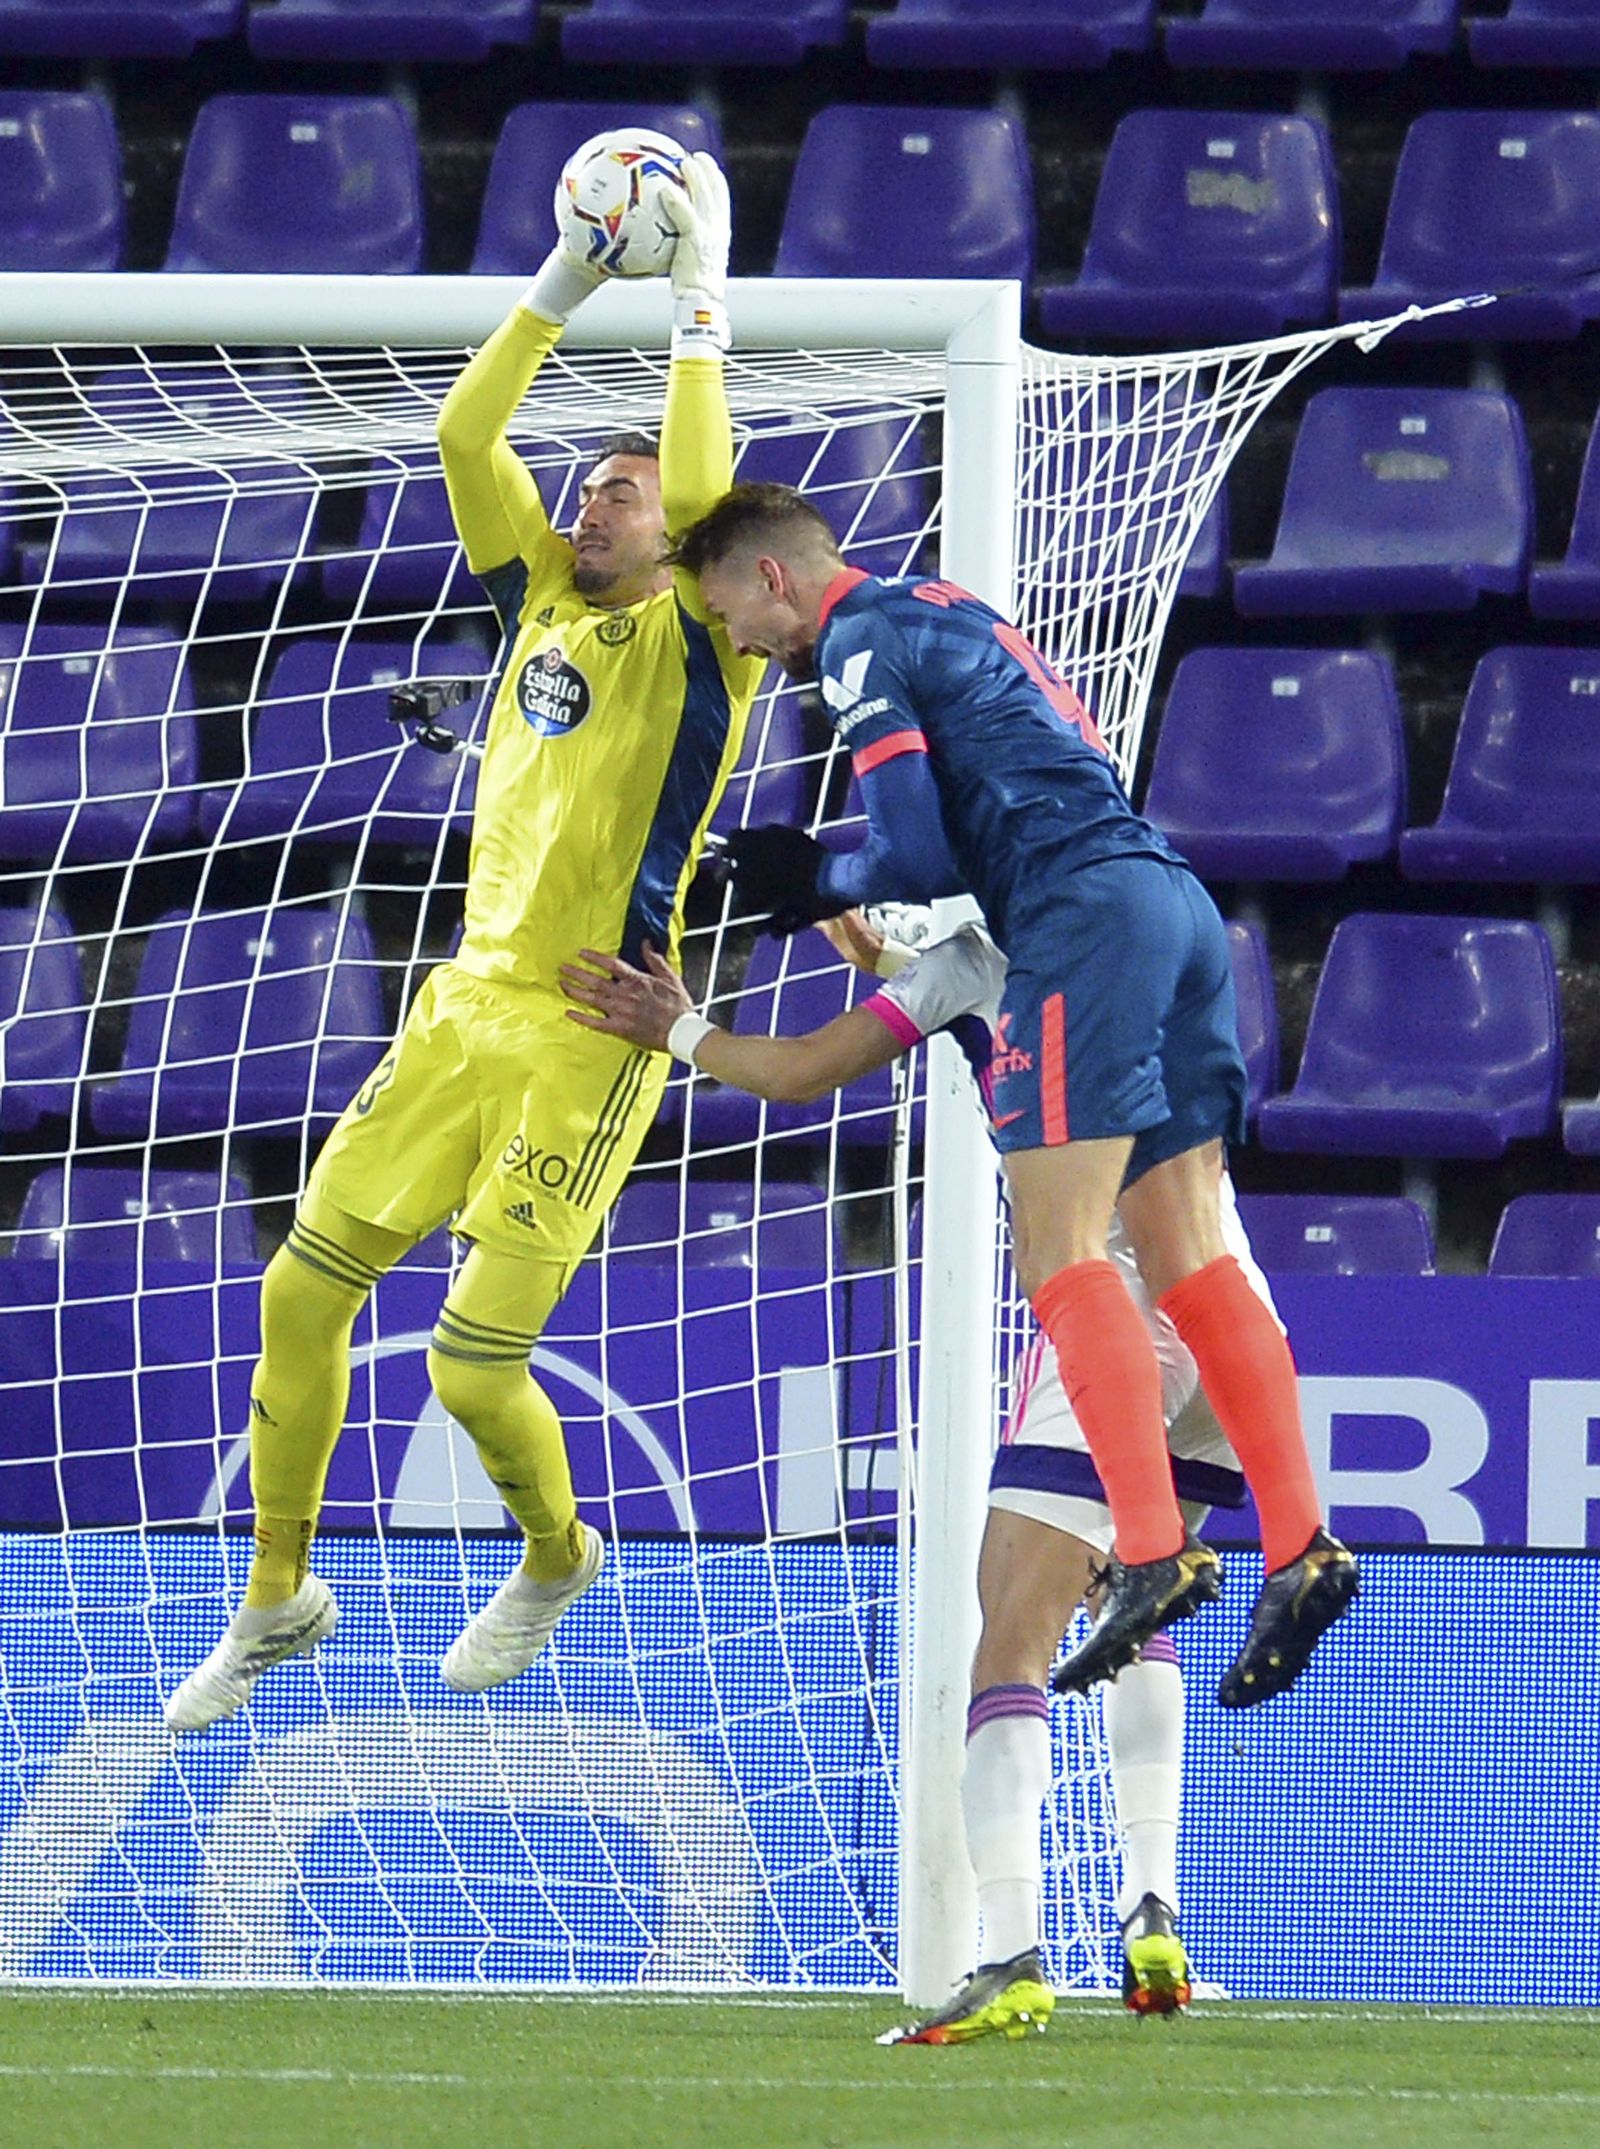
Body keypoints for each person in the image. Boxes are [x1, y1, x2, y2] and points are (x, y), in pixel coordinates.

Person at [164, 155, 767, 1734]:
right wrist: (568, 276)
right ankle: (277, 1592)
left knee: (468, 1367)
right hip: (459, 1012)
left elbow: (700, 493)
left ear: (681, 540)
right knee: (303, 1295)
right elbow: (462, 432)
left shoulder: (696, 638)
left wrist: (701, 297)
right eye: (586, 488)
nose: (590, 501)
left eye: (619, 492)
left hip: (592, 1034)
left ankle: (558, 1554)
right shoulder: (535, 611)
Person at [666, 485, 1358, 1708]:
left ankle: (1149, 1554)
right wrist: (831, 884)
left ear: (773, 579)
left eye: (729, 614)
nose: (742, 643)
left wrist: (808, 870)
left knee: (1057, 1248)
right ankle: (1298, 1543)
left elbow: (921, 853)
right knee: (1190, 1254)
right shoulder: (952, 608)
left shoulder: (855, 642)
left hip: (1076, 922)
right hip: (1172, 906)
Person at [560, 908, 1278, 2040]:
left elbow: (801, 1071)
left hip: (1119, 1318)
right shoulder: (1142, 923)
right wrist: (901, 960)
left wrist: (680, 1028)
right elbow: (1034, 1001)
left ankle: (1007, 1949)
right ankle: (1154, 1907)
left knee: (1010, 1644)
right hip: (1232, 1307)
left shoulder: (964, 966)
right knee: (1138, 1597)